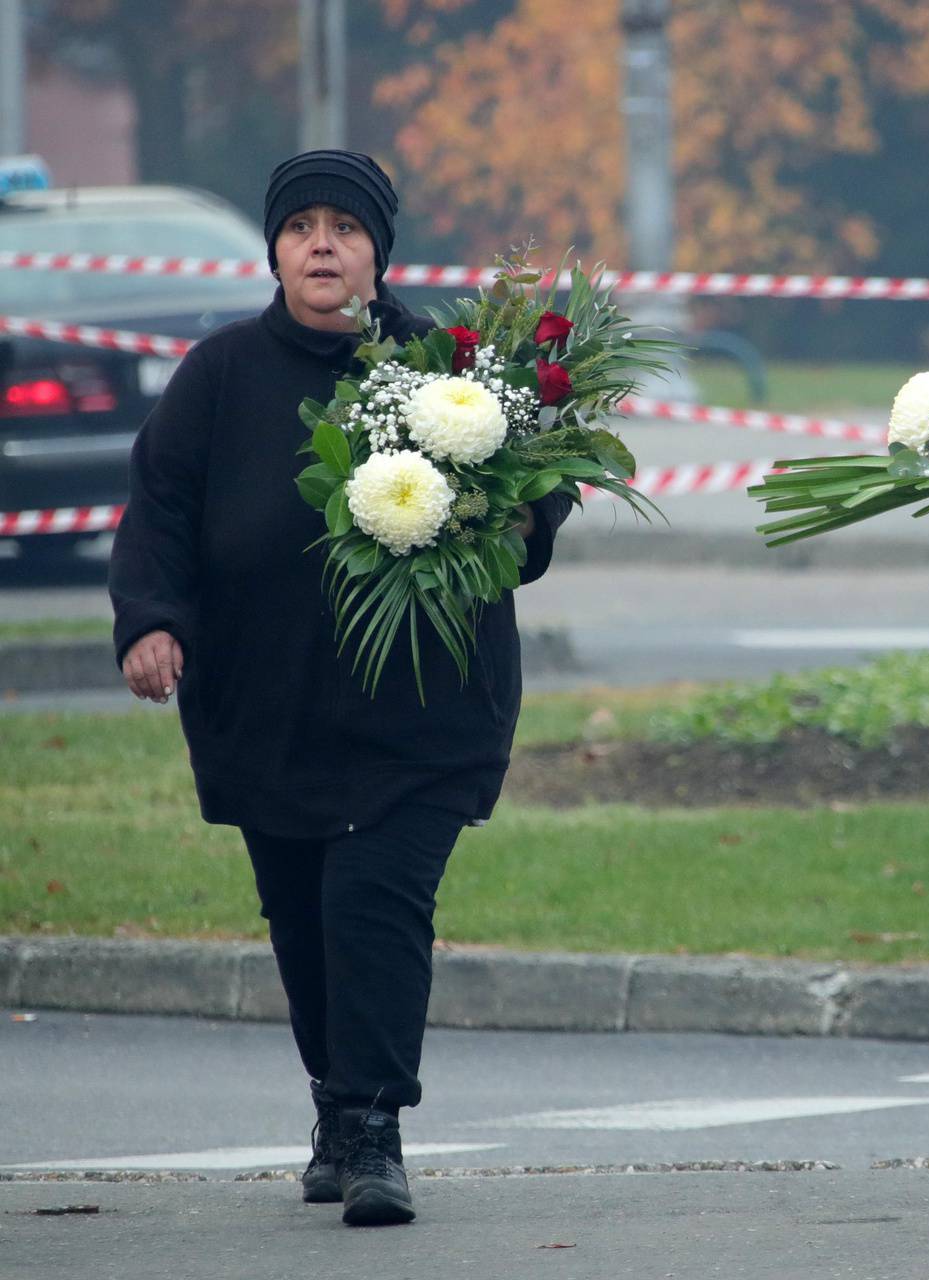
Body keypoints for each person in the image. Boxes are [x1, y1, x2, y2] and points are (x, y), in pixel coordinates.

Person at [108, 149, 572, 1227]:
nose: (323, 244)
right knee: (303, 918)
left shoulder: (449, 365)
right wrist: (152, 621)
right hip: (264, 706)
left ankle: (373, 1126)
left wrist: (516, 518)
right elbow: (160, 508)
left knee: (373, 904)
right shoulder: (219, 374)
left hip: (426, 710)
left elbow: (531, 503)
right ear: (275, 251)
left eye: (345, 227)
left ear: (379, 250)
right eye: (302, 226)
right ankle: (335, 1102)